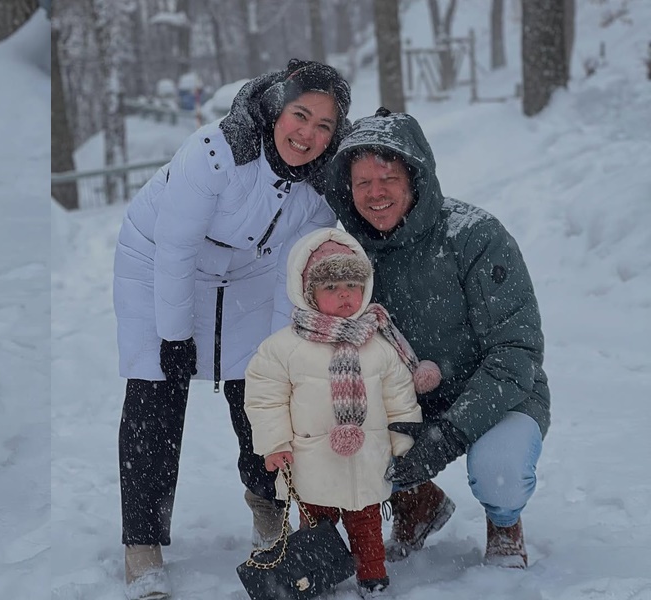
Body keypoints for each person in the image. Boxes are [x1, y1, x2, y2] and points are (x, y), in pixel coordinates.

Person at [111, 58, 351, 599]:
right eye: (300, 115)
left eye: (324, 126)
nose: (308, 135)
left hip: (248, 272)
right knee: (156, 391)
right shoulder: (215, 152)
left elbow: (290, 273)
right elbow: (175, 248)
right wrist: (174, 337)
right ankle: (142, 543)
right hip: (158, 262)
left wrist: (278, 360)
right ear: (274, 111)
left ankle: (267, 505)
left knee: (259, 390)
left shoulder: (320, 187)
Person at [323, 107, 551, 568]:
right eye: (363, 182)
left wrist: (447, 435)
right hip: (407, 399)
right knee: (337, 435)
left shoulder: (475, 235)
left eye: (387, 178)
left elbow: (516, 352)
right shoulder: (348, 253)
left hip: (500, 395)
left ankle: (504, 523)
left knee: (499, 474)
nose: (375, 193)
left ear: (415, 177)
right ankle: (417, 504)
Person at [243, 227, 436, 597]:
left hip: (366, 463)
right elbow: (265, 399)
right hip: (311, 465)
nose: (345, 295)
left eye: (352, 284)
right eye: (331, 287)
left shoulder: (378, 345)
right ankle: (315, 577)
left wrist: (404, 444)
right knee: (317, 529)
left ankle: (372, 577)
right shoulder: (283, 348)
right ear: (306, 291)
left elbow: (399, 397)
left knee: (367, 527)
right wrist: (275, 442)